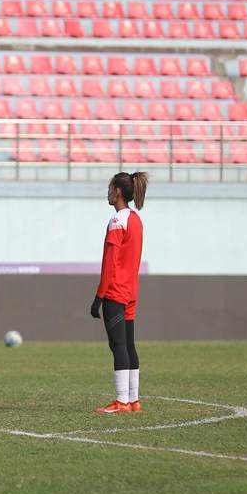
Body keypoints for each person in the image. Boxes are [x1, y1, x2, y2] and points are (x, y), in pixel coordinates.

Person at [91, 172, 148, 414]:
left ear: (117, 191)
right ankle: (133, 400)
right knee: (129, 345)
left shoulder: (117, 221)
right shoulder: (135, 219)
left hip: (115, 291)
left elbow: (110, 262)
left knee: (118, 346)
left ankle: (121, 401)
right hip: (131, 291)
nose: (107, 192)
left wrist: (99, 296)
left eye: (109, 187)